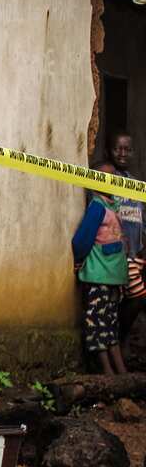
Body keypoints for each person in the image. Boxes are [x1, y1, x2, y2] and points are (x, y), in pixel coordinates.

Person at [94, 130, 146, 347]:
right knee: (121, 300)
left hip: (135, 253)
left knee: (133, 298)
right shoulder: (106, 178)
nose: (122, 153)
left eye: (127, 149)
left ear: (133, 152)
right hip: (113, 254)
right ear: (108, 150)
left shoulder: (137, 184)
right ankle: (114, 343)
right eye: (118, 148)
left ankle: (118, 340)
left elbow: (141, 218)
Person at [72, 190, 130, 374]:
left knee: (102, 322)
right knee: (105, 322)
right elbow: (83, 240)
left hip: (105, 276)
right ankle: (115, 371)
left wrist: (79, 259)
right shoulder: (107, 206)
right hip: (108, 276)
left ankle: (113, 372)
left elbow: (82, 240)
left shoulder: (105, 206)